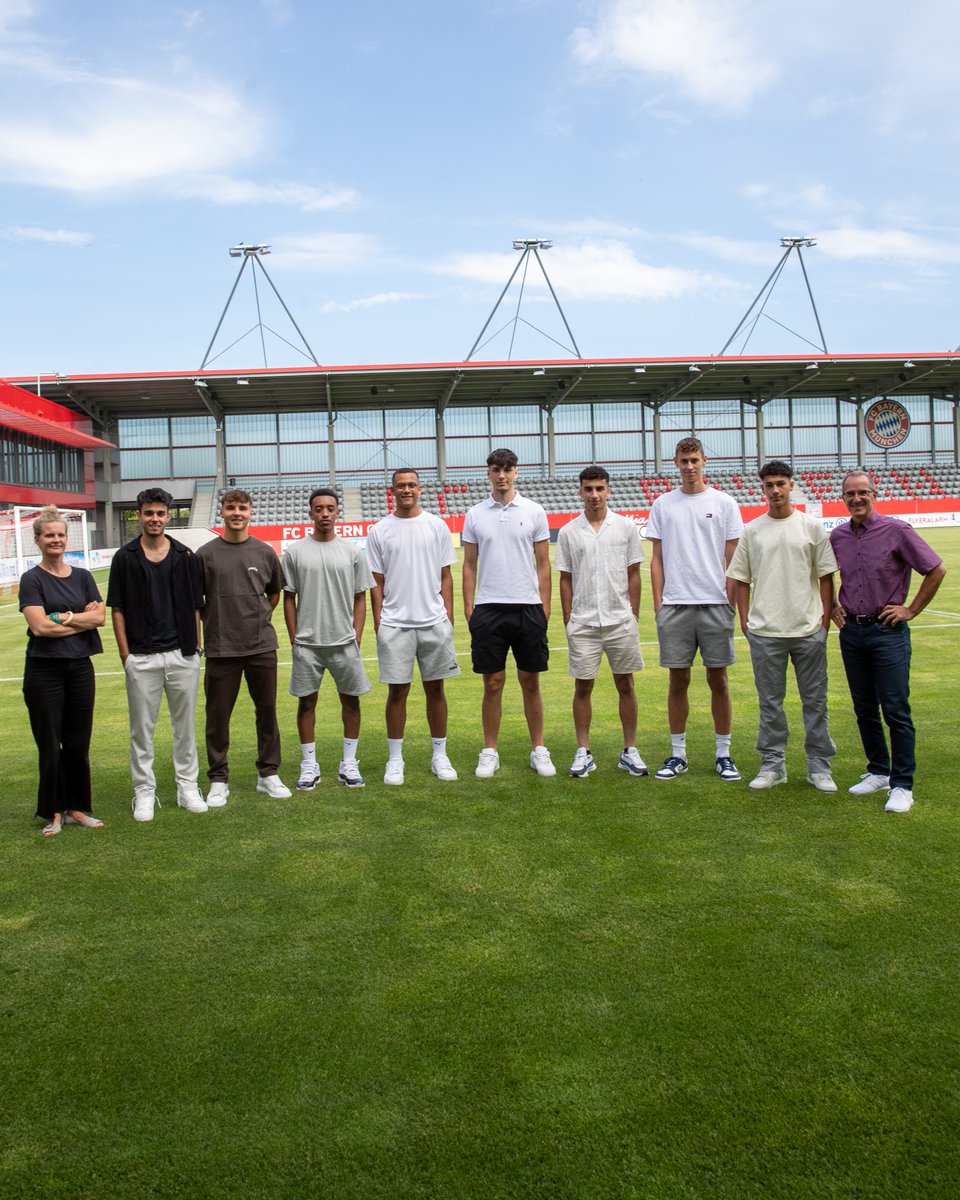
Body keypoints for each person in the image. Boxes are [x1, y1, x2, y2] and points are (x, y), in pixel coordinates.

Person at [829, 470, 946, 813]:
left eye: (862, 492)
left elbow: (935, 569)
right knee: (864, 708)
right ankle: (878, 770)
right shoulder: (837, 536)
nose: (856, 499)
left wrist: (911, 609)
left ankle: (902, 784)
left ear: (873, 493)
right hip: (852, 632)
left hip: (887, 632)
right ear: (844, 498)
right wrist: (834, 606)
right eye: (850, 494)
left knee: (895, 709)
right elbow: (823, 575)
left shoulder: (896, 531)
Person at [726, 461, 838, 792]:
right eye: (769, 485)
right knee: (770, 703)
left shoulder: (811, 526)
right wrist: (745, 619)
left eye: (780, 483)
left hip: (807, 629)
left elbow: (826, 576)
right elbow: (741, 579)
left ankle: (819, 766)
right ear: (762, 489)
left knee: (815, 701)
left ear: (791, 485)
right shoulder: (753, 530)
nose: (775, 490)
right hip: (766, 632)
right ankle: (772, 765)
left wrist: (825, 620)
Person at [646, 437, 743, 782]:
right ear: (675, 462)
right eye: (684, 461)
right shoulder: (663, 504)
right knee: (678, 680)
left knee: (719, 679)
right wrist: (659, 604)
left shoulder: (724, 502)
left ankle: (723, 753)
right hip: (675, 605)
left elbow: (734, 558)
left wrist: (729, 600)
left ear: (705, 461)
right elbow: (655, 559)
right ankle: (678, 755)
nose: (689, 467)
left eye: (694, 460)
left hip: (715, 604)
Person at [107, 487, 206, 821]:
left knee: (185, 729)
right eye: (148, 513)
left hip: (182, 654)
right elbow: (117, 609)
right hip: (141, 656)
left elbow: (196, 606)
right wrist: (126, 655)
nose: (155, 518)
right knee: (142, 731)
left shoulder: (185, 556)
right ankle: (144, 793)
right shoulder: (124, 558)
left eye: (160, 513)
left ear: (168, 515)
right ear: (139, 514)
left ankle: (187, 787)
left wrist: (195, 648)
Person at [462, 448, 555, 778]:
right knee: (493, 683)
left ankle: (538, 749)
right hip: (488, 609)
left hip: (528, 609)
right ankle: (489, 750)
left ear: (516, 471)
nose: (502, 475)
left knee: (530, 681)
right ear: (488, 472)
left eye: (508, 469)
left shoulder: (534, 510)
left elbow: (544, 564)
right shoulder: (475, 514)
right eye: (496, 469)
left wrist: (544, 607)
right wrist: (470, 608)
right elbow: (469, 565)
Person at [365, 469, 460, 785]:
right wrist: (380, 621)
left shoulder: (436, 525)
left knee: (436, 690)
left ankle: (440, 755)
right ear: (391, 491)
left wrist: (448, 615)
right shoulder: (379, 530)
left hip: (433, 622)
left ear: (420, 488)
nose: (406, 490)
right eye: (400, 486)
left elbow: (446, 575)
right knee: (398, 692)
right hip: (395, 624)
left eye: (411, 485)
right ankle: (395, 759)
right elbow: (376, 582)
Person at [197, 489, 290, 806]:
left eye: (243, 508)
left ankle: (268, 774)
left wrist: (258, 618)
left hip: (261, 646)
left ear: (252, 512)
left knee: (267, 713)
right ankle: (218, 779)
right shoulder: (206, 554)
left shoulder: (264, 552)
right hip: (221, 648)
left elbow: (274, 594)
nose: (237, 512)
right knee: (217, 716)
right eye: (230, 507)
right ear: (221, 512)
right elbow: (198, 603)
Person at [556, 465, 648, 778]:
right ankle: (583, 751)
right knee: (583, 687)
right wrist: (568, 619)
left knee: (626, 684)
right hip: (583, 623)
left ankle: (630, 750)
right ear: (580, 492)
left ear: (608, 490)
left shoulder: (625, 528)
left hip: (620, 620)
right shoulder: (569, 532)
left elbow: (634, 573)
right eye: (588, 489)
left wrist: (633, 614)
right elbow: (565, 579)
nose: (594, 495)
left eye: (599, 489)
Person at [20, 507, 106, 836]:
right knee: (49, 742)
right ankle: (52, 811)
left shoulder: (83, 576)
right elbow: (40, 627)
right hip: (44, 671)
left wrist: (62, 618)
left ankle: (75, 808)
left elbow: (98, 619)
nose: (56, 539)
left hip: (80, 668)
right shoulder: (32, 579)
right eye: (49, 535)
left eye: (60, 535)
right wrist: (76, 619)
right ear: (38, 540)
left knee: (77, 742)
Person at [282, 488, 373, 789]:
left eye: (329, 508)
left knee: (351, 702)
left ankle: (349, 763)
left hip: (344, 643)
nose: (324, 513)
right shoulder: (294, 553)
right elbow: (289, 598)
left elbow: (361, 598)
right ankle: (309, 765)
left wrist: (356, 636)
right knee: (306, 704)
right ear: (311, 513)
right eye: (318, 509)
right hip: (308, 646)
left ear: (337, 513)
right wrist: (295, 638)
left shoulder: (352, 553)